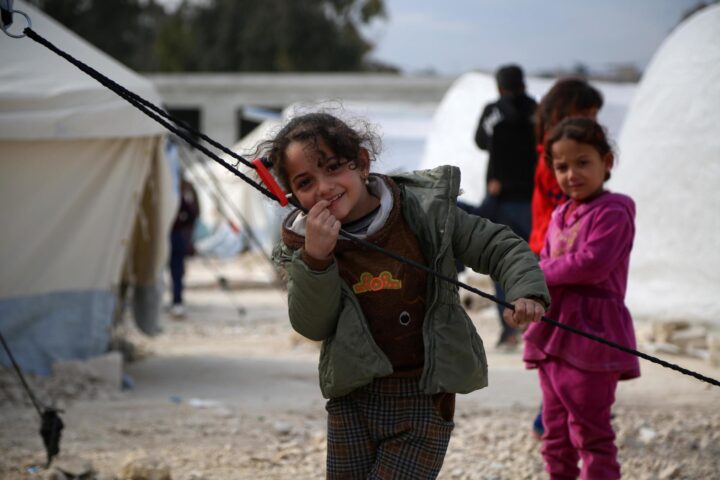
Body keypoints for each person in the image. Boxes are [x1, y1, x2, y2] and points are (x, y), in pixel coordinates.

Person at [267, 112, 550, 479]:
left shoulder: (424, 212)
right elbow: (313, 324)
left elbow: (499, 246)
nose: (322, 187)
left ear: (362, 163)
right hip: (351, 401)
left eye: (333, 167)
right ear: (293, 195)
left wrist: (526, 290)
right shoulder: (306, 244)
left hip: (424, 399)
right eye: (305, 182)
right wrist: (316, 259)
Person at [523, 117, 640, 479]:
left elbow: (593, 263)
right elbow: (545, 263)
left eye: (582, 162)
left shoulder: (615, 210)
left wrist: (538, 273)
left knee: (591, 433)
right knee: (555, 433)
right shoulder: (560, 213)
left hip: (593, 335)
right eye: (561, 166)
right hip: (554, 331)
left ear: (607, 163)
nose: (571, 173)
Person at [526, 79, 604, 438]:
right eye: (587, 115)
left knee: (560, 335)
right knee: (563, 336)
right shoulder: (559, 158)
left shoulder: (553, 152)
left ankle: (560, 414)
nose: (593, 123)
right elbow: (570, 208)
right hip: (555, 253)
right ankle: (557, 415)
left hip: (552, 250)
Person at [474, 64, 538, 348]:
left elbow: (480, 140)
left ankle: (510, 331)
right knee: (536, 264)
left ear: (499, 87)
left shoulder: (493, 110)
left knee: (500, 263)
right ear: (523, 84)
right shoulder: (537, 111)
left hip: (500, 197)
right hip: (533, 199)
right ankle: (540, 331)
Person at [528, 78, 604, 255]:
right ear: (560, 115)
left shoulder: (567, 154)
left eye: (594, 115)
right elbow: (576, 208)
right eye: (585, 114)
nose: (593, 122)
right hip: (552, 251)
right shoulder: (555, 160)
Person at [169, 176, 200, 318]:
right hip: (176, 235)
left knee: (176, 272)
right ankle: (176, 302)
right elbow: (192, 214)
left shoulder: (172, 195)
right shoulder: (176, 196)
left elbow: (191, 214)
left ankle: (176, 302)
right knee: (176, 272)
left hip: (173, 236)